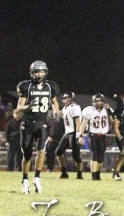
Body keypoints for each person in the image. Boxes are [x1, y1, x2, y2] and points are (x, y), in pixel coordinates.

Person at [14, 60, 61, 194]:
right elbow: (18, 108)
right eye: (36, 72)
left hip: (42, 124)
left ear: (45, 73)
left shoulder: (50, 87)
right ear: (32, 73)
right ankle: (25, 180)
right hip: (27, 124)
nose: (39, 74)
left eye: (41, 71)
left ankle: (37, 178)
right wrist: (28, 107)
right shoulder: (26, 86)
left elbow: (54, 102)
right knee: (27, 155)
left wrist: (56, 112)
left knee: (41, 150)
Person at [78, 93, 113, 181]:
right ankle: (93, 175)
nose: (98, 103)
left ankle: (97, 174)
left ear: (103, 101)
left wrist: (109, 111)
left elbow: (112, 122)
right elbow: (83, 124)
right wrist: (80, 136)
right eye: (96, 101)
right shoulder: (89, 110)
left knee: (101, 157)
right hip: (93, 135)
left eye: (99, 101)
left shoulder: (106, 110)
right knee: (95, 155)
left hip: (103, 136)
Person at [55, 92, 84, 179]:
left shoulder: (74, 107)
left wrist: (79, 136)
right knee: (58, 152)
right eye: (63, 99)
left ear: (71, 98)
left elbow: (78, 123)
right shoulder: (65, 108)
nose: (64, 100)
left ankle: (79, 174)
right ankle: (64, 172)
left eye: (66, 98)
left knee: (76, 155)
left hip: (74, 133)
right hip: (67, 133)